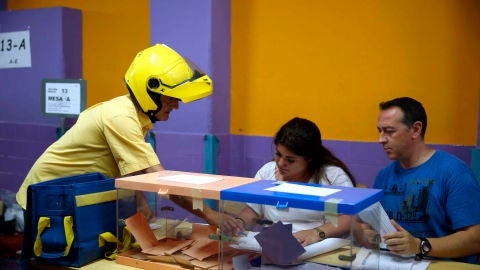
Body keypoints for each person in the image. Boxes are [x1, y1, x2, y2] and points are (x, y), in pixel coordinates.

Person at [16, 44, 221, 268]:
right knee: (49, 260)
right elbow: (158, 179)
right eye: (171, 97)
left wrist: (147, 218)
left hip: (76, 194)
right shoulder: (120, 117)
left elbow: (133, 176)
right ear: (150, 91)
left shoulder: (134, 116)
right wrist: (211, 215)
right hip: (49, 195)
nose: (176, 106)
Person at [359, 97, 480, 263]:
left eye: (389, 131)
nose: (381, 139)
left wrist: (419, 245)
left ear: (415, 129)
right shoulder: (383, 176)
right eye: (379, 131)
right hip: (395, 264)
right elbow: (383, 229)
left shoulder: (454, 172)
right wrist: (368, 234)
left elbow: (475, 238)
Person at [232, 117, 357, 247]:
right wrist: (238, 224)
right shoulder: (266, 172)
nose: (280, 163)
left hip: (319, 248)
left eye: (290, 160)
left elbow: (348, 218)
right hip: (276, 248)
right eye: (278, 154)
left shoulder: (331, 177)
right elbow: (253, 211)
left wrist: (316, 233)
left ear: (309, 159)